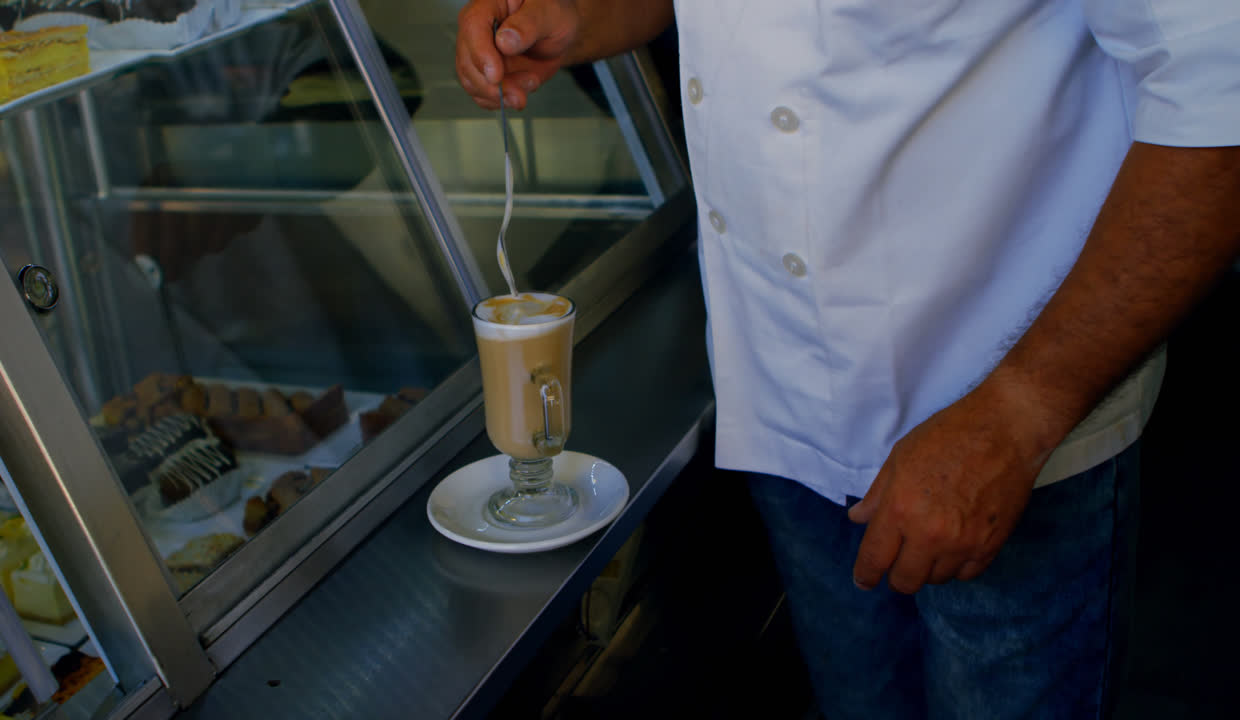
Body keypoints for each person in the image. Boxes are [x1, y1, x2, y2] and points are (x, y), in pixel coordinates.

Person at [456, 1, 1240, 718]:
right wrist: (591, 14)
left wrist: (1019, 412)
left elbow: (1219, 101)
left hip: (1003, 428)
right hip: (784, 403)